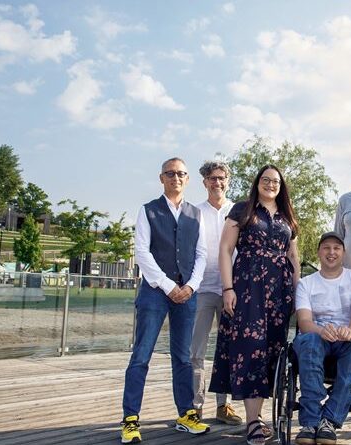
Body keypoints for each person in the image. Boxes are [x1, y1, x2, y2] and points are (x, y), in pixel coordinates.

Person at [209, 165, 301, 445]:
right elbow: (225, 249)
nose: (270, 184)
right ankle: (252, 421)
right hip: (247, 288)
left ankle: (258, 416)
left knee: (271, 350)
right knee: (250, 349)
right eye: (265, 179)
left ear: (281, 186)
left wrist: (297, 293)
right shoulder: (242, 209)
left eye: (275, 181)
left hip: (279, 292)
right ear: (257, 182)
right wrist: (228, 288)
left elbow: (293, 257)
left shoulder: (287, 216)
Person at [121, 157, 210, 444]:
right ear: (161, 178)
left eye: (181, 173)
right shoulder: (148, 210)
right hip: (154, 293)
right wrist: (169, 285)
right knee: (141, 355)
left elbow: (201, 254)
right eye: (170, 173)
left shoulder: (196, 214)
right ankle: (130, 419)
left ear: (187, 179)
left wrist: (192, 285)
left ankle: (186, 414)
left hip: (187, 294)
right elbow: (142, 253)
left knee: (183, 357)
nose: (176, 177)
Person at [293, 232, 351, 445]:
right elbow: (304, 321)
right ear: (319, 252)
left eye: (336, 248)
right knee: (309, 341)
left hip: (347, 339)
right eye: (326, 248)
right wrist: (320, 331)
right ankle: (310, 422)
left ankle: (329, 420)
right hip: (316, 337)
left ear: (343, 253)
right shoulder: (306, 283)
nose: (331, 252)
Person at [189, 160, 242, 425]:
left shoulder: (239, 211)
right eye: (212, 178)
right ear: (205, 182)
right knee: (196, 351)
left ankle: (224, 405)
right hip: (202, 289)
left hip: (231, 290)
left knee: (228, 351)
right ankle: (195, 406)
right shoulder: (194, 212)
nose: (217, 182)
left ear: (228, 181)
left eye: (221, 178)